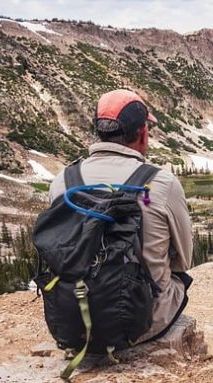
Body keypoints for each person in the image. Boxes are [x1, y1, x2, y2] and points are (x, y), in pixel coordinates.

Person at [48, 89, 193, 343]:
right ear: (142, 132)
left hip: (72, 320)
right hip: (142, 323)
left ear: (100, 131)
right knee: (180, 278)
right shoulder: (162, 183)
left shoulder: (62, 181)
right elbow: (184, 259)